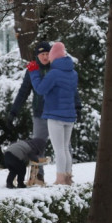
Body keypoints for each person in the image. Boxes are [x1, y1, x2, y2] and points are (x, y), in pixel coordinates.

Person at [28, 41, 79, 185]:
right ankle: (68, 177)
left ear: (54, 56)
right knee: (65, 148)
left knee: (59, 150)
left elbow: (40, 89)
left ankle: (60, 179)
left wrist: (33, 73)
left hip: (55, 115)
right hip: (69, 116)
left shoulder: (54, 73)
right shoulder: (73, 73)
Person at [10, 41, 58, 165]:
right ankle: (38, 176)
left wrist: (76, 107)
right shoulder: (33, 70)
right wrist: (14, 111)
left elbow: (69, 89)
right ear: (37, 56)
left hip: (57, 113)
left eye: (47, 53)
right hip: (40, 113)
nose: (45, 57)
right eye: (42, 54)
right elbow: (23, 92)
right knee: (37, 146)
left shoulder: (57, 68)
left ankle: (65, 175)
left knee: (62, 145)